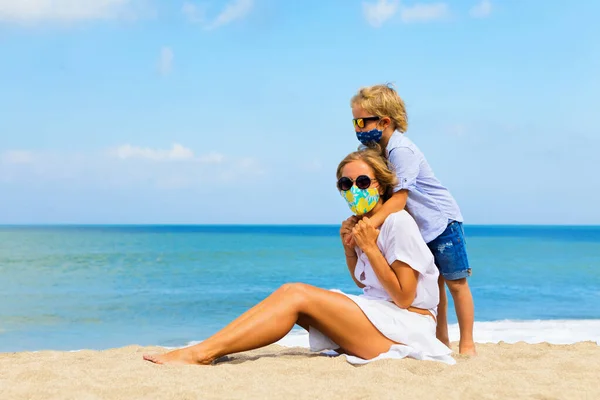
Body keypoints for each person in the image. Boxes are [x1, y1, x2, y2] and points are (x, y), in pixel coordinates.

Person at [143, 148, 454, 366]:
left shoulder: (397, 223)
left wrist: (370, 248)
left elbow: (403, 296)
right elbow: (366, 283)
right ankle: (207, 348)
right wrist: (351, 248)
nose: (353, 190)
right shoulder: (364, 226)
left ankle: (201, 352)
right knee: (297, 304)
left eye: (362, 182)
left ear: (381, 185)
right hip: (380, 317)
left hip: (406, 328)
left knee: (295, 293)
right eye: (345, 184)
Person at [347, 83, 476, 355]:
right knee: (434, 283)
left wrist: (371, 224)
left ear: (384, 121)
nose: (357, 127)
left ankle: (468, 343)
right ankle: (441, 338)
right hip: (417, 225)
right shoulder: (374, 149)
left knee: (455, 282)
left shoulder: (400, 150)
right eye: (354, 121)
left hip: (441, 222)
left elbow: (399, 198)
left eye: (362, 121)